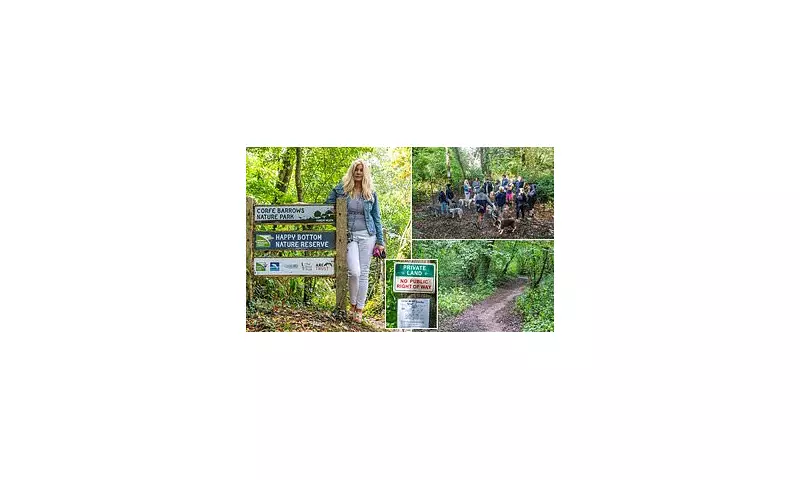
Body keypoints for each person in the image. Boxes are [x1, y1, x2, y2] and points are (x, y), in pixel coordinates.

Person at [325, 159, 385, 322]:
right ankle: (352, 304)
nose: (358, 172)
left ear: (365, 173)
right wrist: (335, 225)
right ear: (352, 171)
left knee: (364, 273)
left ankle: (358, 309)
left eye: (361, 170)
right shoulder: (341, 189)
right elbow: (327, 208)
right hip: (348, 235)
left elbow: (376, 217)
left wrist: (380, 241)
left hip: (368, 235)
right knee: (354, 271)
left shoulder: (370, 192)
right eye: (356, 169)